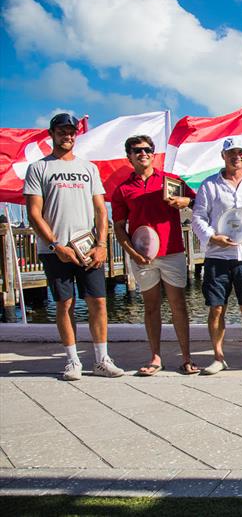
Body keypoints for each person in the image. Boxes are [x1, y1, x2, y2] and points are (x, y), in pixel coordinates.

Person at [24, 113, 124, 380]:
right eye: (62, 131)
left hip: (88, 248)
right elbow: (34, 213)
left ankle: (102, 360)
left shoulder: (88, 168)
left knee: (99, 302)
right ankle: (72, 361)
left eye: (71, 131)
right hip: (55, 251)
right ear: (51, 134)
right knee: (65, 304)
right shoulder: (38, 168)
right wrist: (56, 245)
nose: (67, 136)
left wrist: (102, 244)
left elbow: (101, 210)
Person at [111, 135, 199, 376]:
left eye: (148, 149)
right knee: (150, 307)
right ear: (128, 156)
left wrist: (186, 200)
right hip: (142, 257)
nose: (143, 153)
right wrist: (132, 254)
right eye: (137, 150)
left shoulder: (171, 181)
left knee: (178, 305)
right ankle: (155, 357)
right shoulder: (123, 190)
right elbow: (119, 227)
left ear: (153, 153)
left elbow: (198, 201)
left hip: (172, 252)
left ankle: (187, 358)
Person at [191, 137, 242, 375]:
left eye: (240, 152)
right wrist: (211, 237)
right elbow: (197, 217)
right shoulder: (209, 185)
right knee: (216, 308)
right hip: (218, 255)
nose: (236, 157)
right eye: (231, 153)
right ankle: (218, 357)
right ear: (223, 156)